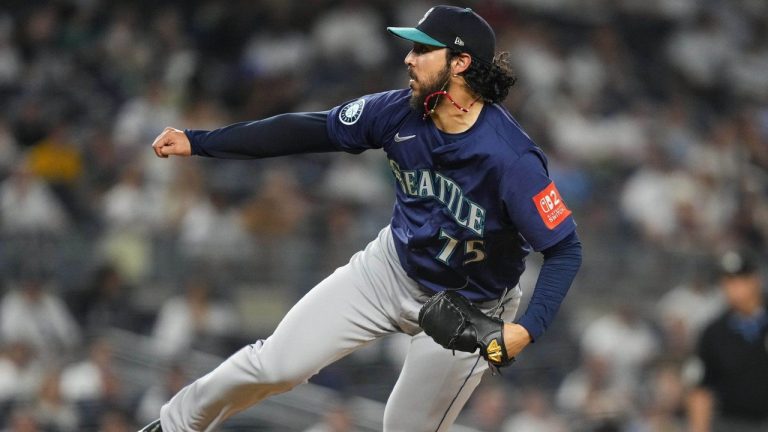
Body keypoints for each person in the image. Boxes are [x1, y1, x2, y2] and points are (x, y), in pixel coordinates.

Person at [140, 6, 582, 431]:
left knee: (403, 428)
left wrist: (525, 329)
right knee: (276, 364)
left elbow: (565, 248)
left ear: (461, 62)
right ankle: (173, 426)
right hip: (389, 271)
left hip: (473, 307)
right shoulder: (397, 111)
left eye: (422, 49)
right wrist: (199, 142)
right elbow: (306, 130)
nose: (408, 58)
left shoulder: (511, 159)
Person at [687, 250, 768, 432]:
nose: (734, 287)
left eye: (741, 279)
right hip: (732, 423)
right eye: (728, 281)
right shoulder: (714, 332)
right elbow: (702, 388)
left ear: (755, 279)